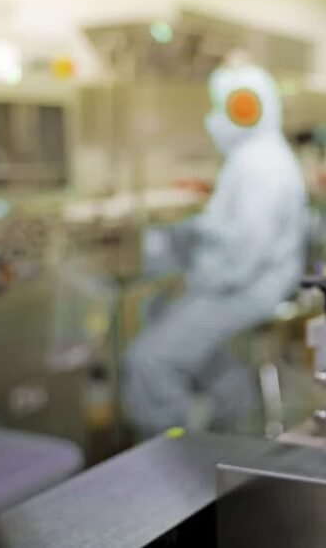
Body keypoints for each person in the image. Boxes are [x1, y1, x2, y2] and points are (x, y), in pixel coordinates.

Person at [124, 63, 307, 439]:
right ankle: (232, 425)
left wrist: (198, 278)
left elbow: (241, 255)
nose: (218, 117)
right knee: (164, 317)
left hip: (247, 289)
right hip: (246, 282)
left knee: (149, 360)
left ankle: (170, 457)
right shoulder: (256, 156)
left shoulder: (261, 164)